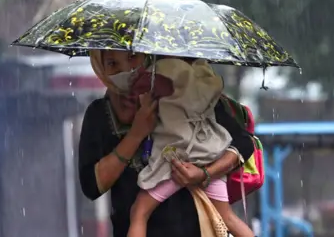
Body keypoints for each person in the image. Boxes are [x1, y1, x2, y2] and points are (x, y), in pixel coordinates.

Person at [79, 49, 255, 237]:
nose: (127, 70)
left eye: (133, 57)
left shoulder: (185, 94)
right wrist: (136, 135)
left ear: (146, 55)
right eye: (112, 64)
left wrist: (205, 174)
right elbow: (91, 186)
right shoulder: (100, 114)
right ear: (100, 68)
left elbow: (244, 143)